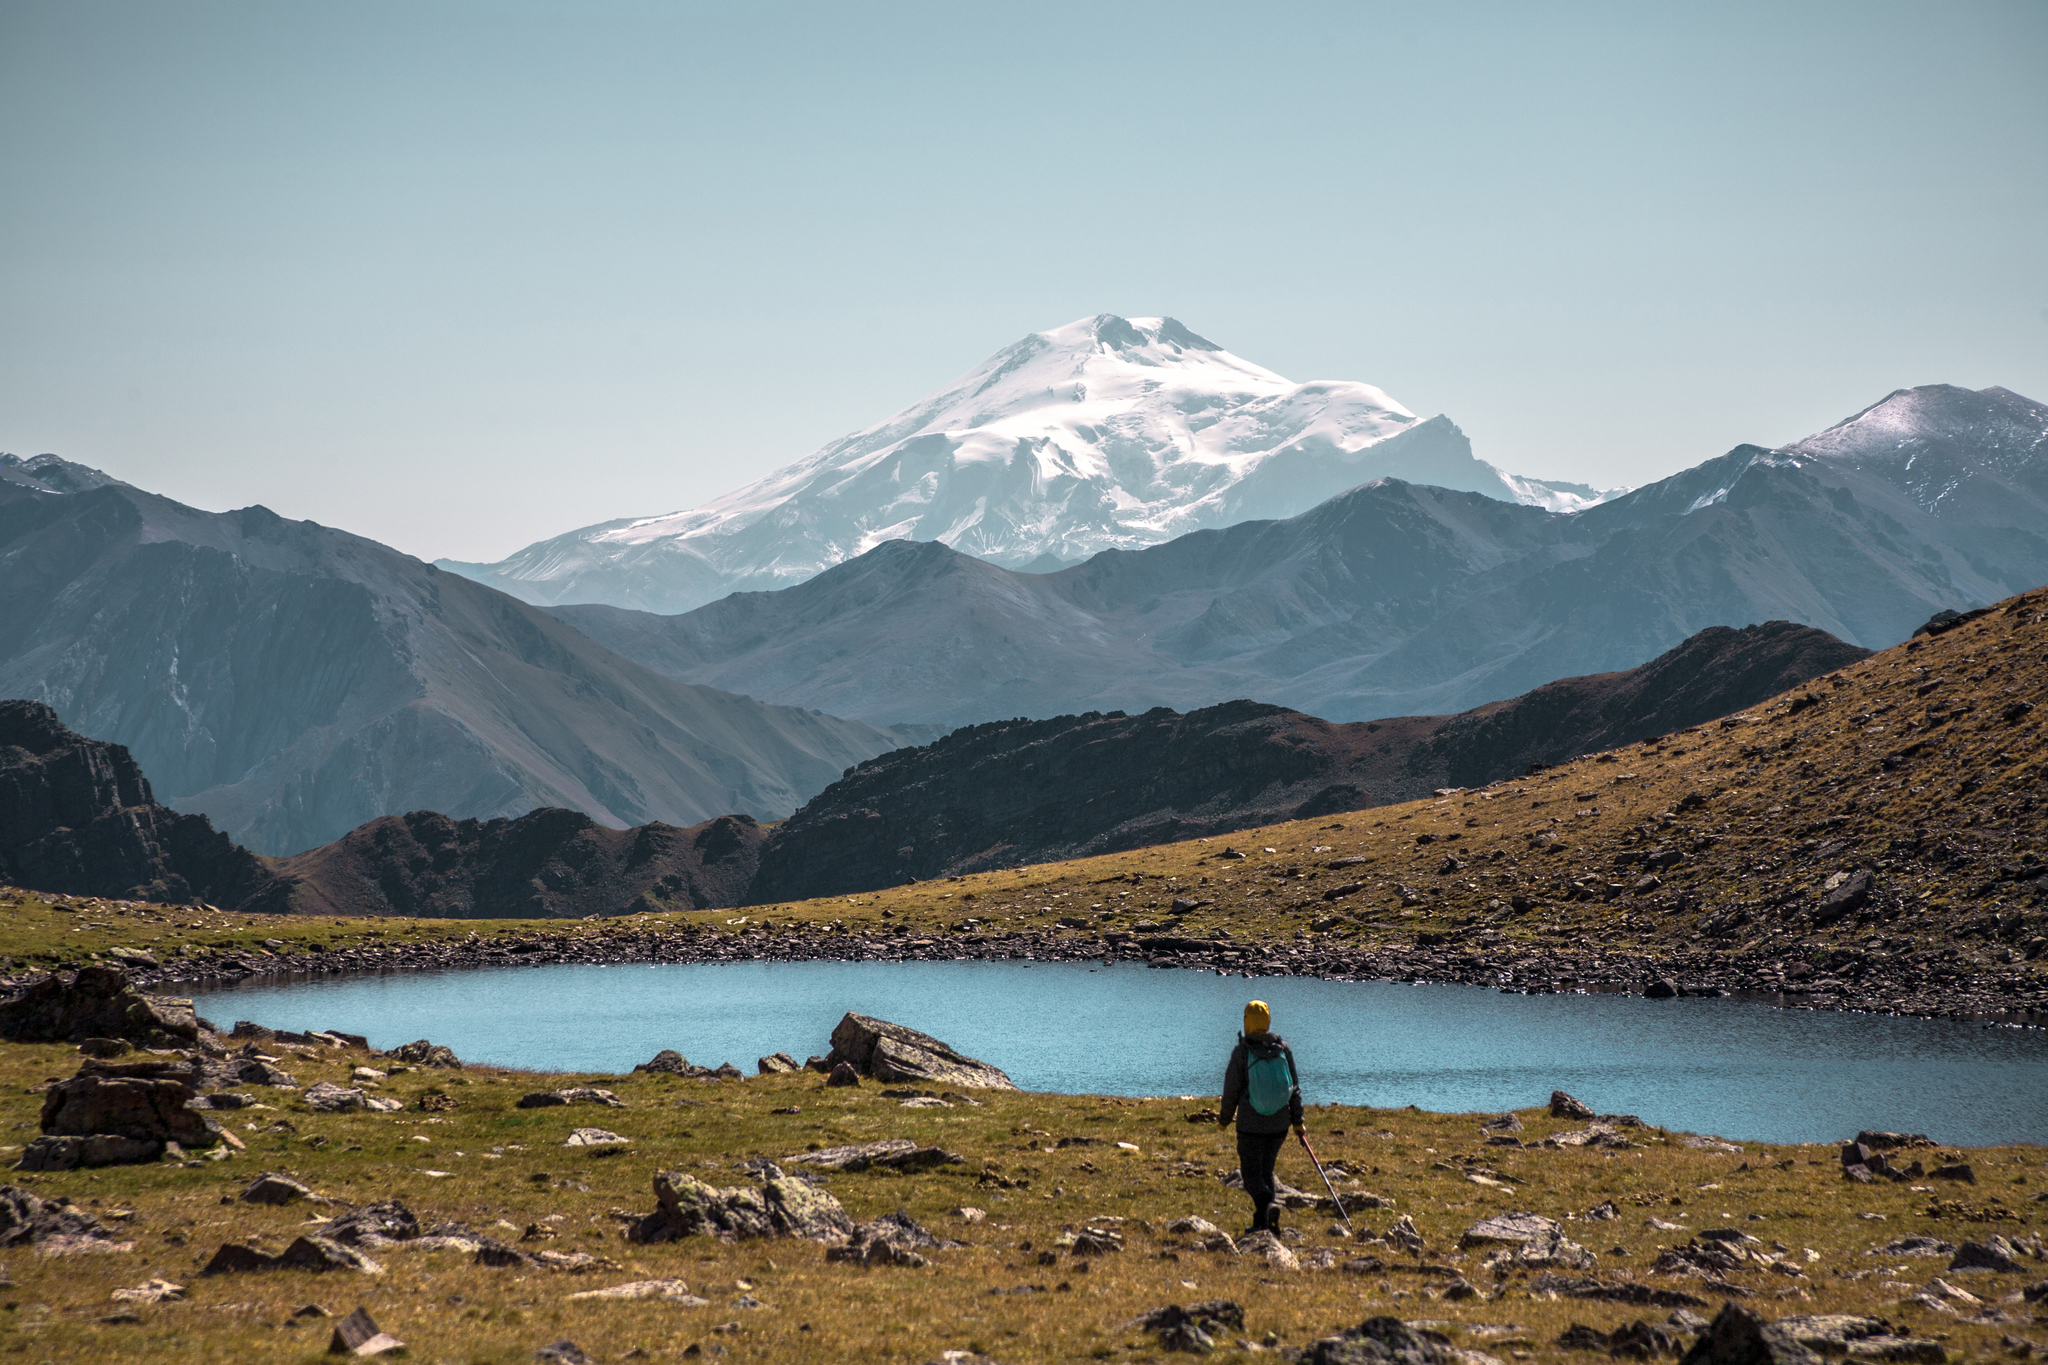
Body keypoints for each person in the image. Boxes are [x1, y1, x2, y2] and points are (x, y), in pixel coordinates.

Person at [1217, 998, 1304, 1235]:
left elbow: (1231, 1090)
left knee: (1251, 1175)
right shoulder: (1283, 1049)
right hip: (1279, 1125)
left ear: (1246, 1022)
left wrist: (1224, 1120)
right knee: (1267, 1171)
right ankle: (1264, 1223)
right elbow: (1294, 1088)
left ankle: (1267, 1205)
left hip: (1250, 1125)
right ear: (1267, 1021)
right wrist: (1298, 1121)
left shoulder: (1242, 1052)